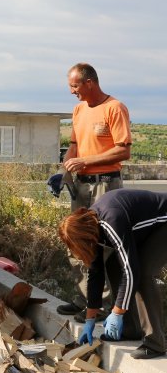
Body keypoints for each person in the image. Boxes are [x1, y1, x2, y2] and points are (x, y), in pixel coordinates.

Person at [55, 63, 133, 318]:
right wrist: (64, 172)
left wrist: (86, 162)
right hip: (81, 185)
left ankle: (102, 306)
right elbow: (75, 146)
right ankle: (84, 298)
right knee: (77, 240)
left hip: (105, 185)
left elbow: (124, 150)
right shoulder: (78, 110)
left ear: (90, 83)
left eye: (74, 86)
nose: (72, 92)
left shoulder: (114, 108)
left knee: (104, 243)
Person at [59, 189, 167, 359]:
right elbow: (95, 274)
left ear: (85, 237)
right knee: (113, 264)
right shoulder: (93, 229)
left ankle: (155, 342)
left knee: (143, 273)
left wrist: (117, 313)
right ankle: (130, 329)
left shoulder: (111, 220)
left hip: (163, 223)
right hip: (148, 227)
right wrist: (90, 320)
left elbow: (131, 270)